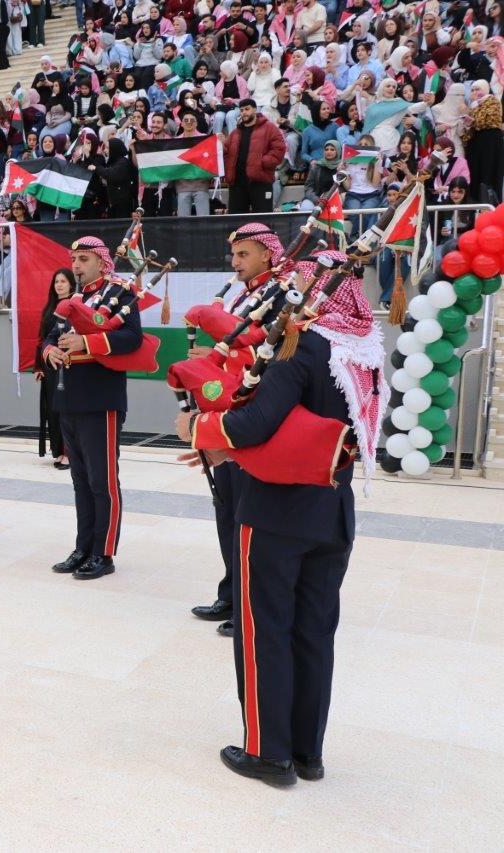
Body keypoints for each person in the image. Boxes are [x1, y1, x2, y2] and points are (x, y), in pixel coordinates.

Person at [179, 252, 386, 786]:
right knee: (314, 632)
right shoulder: (363, 350)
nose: (287, 293)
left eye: (297, 283)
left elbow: (256, 422)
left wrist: (200, 429)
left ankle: (267, 753)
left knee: (265, 629)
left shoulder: (301, 343)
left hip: (276, 511)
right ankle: (306, 752)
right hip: (332, 509)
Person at [187, 223, 286, 638]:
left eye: (243, 254)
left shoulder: (279, 295)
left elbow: (269, 352)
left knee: (248, 515)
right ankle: (231, 592)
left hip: (252, 414)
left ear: (267, 254)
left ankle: (251, 603)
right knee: (226, 509)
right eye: (234, 255)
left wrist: (222, 353)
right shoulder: (243, 296)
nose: (235, 262)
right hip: (226, 410)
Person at [42, 236, 142, 580]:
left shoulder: (121, 294)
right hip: (68, 397)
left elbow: (132, 338)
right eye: (74, 259)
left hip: (101, 399)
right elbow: (49, 335)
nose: (76, 265)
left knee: (103, 481)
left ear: (101, 261)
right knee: (80, 480)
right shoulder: (73, 299)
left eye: (83, 259)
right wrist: (50, 351)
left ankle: (104, 552)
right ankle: (83, 546)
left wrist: (86, 341)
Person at [33, 269, 74, 469]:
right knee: (53, 410)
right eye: (56, 281)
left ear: (71, 284)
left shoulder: (75, 305)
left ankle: (70, 453)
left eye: (63, 281)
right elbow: (42, 339)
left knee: (67, 410)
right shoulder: (49, 308)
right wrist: (38, 366)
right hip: (50, 366)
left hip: (68, 364)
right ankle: (59, 451)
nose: (59, 285)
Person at [223, 99, 286, 214]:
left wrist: (261, 162)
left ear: (255, 110)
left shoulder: (270, 128)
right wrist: (221, 145)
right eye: (241, 110)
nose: (244, 113)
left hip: (261, 182)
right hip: (237, 184)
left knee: (262, 220)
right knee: (236, 221)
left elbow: (279, 149)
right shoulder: (235, 132)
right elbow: (226, 153)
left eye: (247, 109)